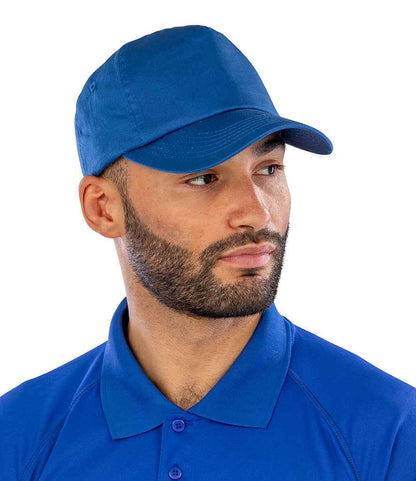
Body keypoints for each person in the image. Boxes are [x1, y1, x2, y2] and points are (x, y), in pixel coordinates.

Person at [1, 24, 415, 481]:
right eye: (203, 178)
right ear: (103, 209)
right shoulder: (17, 438)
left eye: (268, 168)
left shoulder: (389, 433)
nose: (257, 213)